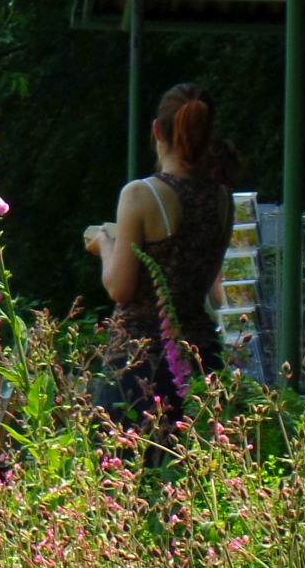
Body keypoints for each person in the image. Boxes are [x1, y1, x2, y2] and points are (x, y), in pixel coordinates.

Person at [84, 83, 236, 421]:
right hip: (201, 359)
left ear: (156, 131)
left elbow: (120, 288)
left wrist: (105, 244)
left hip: (140, 363)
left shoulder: (140, 194)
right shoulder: (223, 200)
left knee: (131, 470)